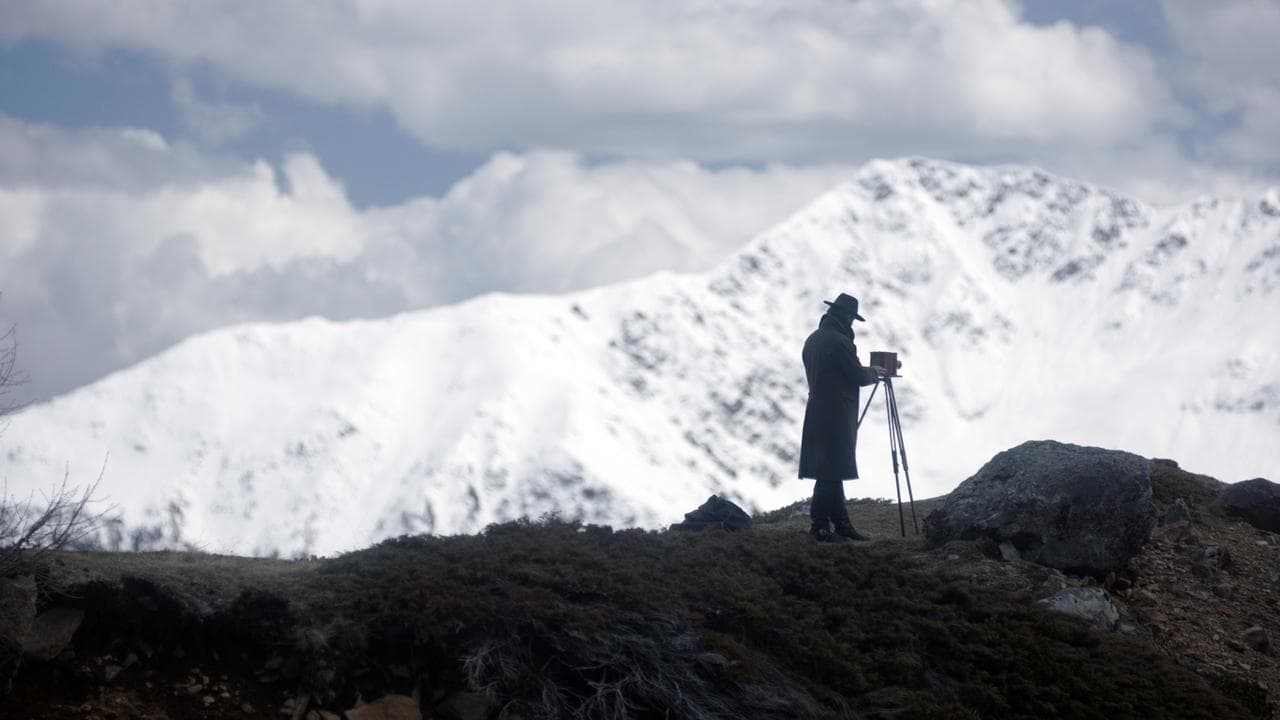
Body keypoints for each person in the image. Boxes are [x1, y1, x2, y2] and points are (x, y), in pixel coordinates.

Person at [798, 293, 887, 542]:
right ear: (847, 317)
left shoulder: (813, 339)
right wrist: (874, 372)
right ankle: (820, 526)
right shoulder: (839, 342)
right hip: (836, 414)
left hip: (818, 411)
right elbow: (856, 375)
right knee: (830, 470)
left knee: (831, 468)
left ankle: (841, 523)